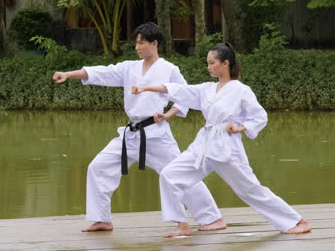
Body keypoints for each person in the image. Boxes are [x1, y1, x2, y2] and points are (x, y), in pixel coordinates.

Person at [52, 22, 226, 232]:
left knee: (180, 174)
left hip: (157, 134)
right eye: (136, 42)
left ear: (154, 43)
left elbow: (186, 97)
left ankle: (211, 218)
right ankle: (102, 219)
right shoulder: (129, 68)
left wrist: (168, 114)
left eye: (141, 42)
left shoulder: (169, 69)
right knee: (98, 167)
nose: (137, 47)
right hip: (130, 134)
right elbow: (100, 73)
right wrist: (69, 74)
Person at [131, 43, 312, 237]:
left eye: (212, 63)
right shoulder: (206, 89)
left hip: (227, 148)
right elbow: (177, 90)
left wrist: (240, 127)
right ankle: (181, 224)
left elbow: (259, 117)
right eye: (207, 63)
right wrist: (145, 88)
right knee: (169, 174)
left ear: (225, 63)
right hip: (204, 145)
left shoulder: (241, 90)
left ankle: (296, 221)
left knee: (249, 189)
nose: (208, 67)